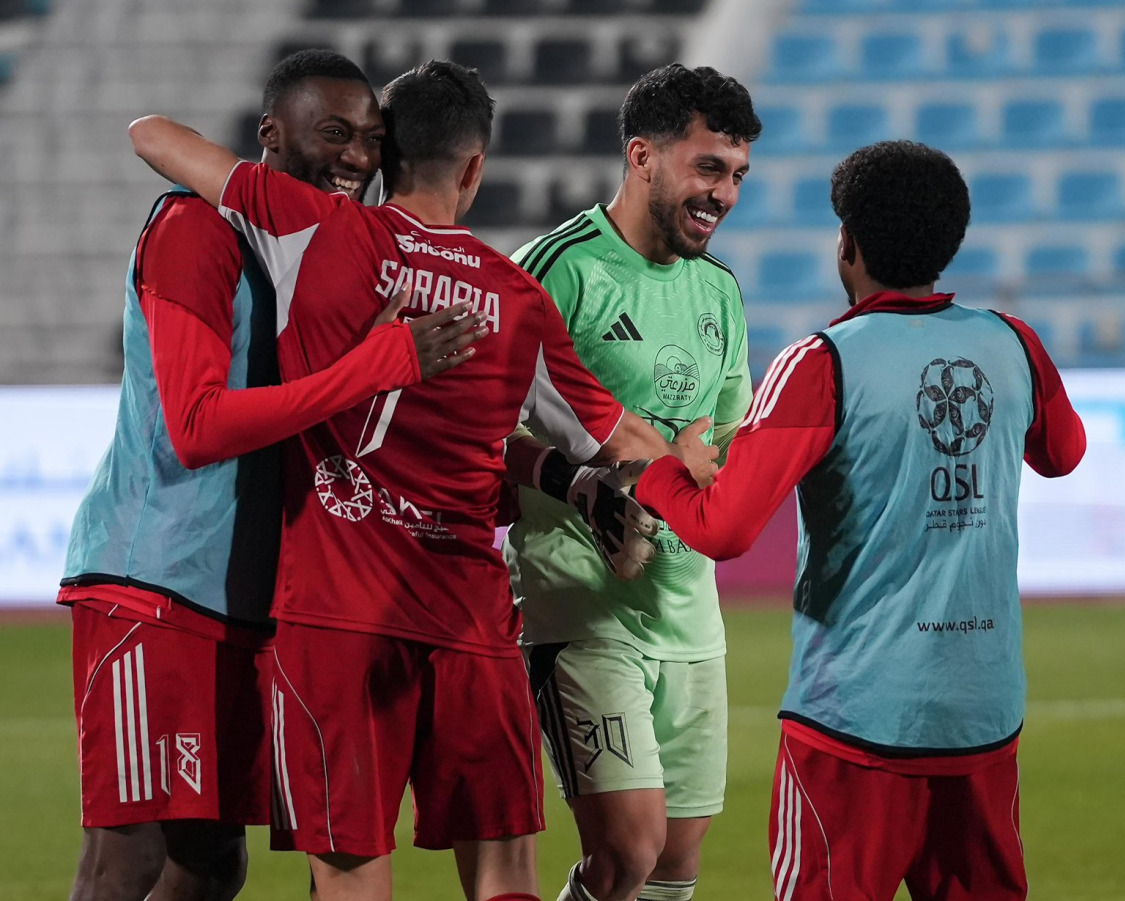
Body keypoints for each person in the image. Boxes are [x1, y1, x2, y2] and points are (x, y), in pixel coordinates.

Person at [127, 60, 708, 901]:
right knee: (504, 867)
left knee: (354, 871)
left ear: (383, 154)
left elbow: (152, 135)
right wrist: (690, 466)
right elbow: (622, 444)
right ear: (474, 168)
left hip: (333, 612)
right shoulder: (518, 298)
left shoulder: (315, 225)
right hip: (468, 612)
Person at [59, 50, 487, 901]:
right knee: (131, 856)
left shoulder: (320, 264)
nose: (358, 158)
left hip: (245, 601)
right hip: (155, 587)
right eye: (333, 133)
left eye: (373, 140)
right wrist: (379, 364)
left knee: (212, 861)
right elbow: (195, 426)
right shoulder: (194, 230)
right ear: (269, 135)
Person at [635, 140, 1088, 901]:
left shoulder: (821, 362)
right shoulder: (1014, 344)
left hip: (854, 724)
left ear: (847, 245)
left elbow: (725, 529)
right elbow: (1064, 452)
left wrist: (654, 469)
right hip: (981, 712)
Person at [503, 63, 761, 901]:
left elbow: (724, 442)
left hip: (690, 611)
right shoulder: (553, 270)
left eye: (736, 176)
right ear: (643, 156)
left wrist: (706, 468)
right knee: (628, 851)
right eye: (708, 168)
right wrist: (588, 481)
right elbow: (479, 433)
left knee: (675, 864)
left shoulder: (720, 290)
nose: (722, 194)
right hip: (579, 605)